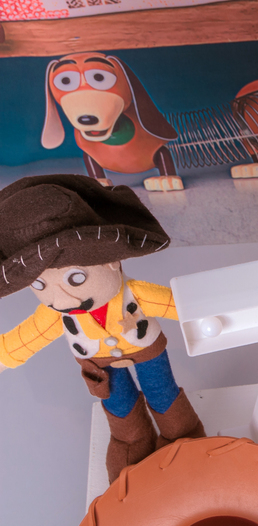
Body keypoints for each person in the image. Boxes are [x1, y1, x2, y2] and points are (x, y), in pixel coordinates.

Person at [0, 174, 204, 482]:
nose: (61, 300)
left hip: (146, 350)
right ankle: (131, 446)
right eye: (40, 284)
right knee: (121, 409)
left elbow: (183, 305)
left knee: (164, 396)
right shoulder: (54, 313)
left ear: (111, 261)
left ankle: (183, 440)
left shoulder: (136, 294)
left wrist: (224, 311)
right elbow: (26, 338)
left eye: (76, 279)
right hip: (99, 365)